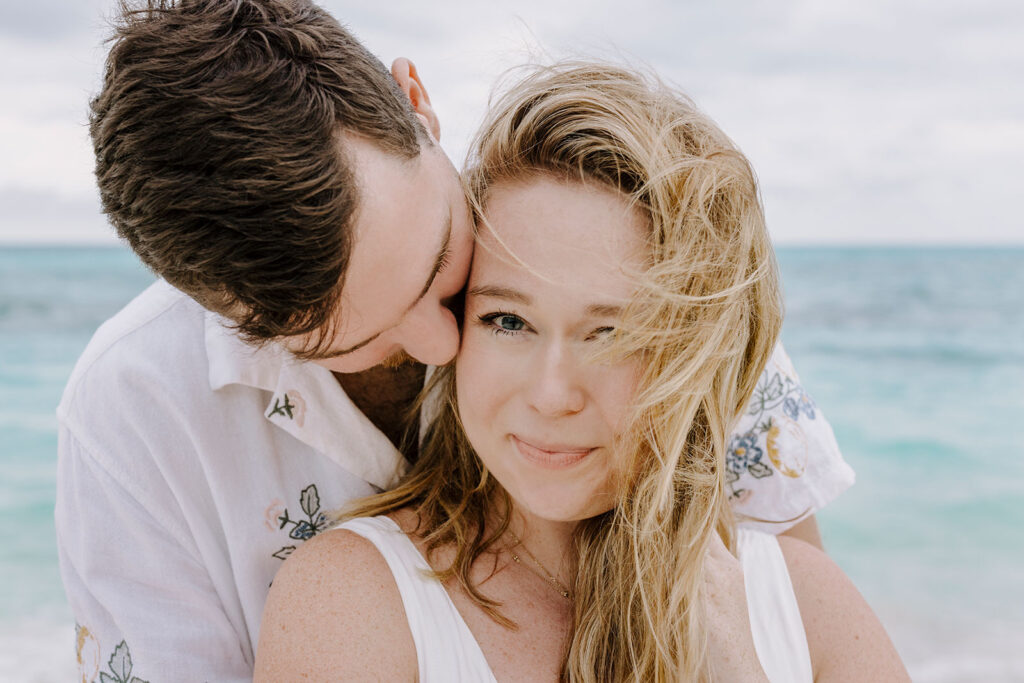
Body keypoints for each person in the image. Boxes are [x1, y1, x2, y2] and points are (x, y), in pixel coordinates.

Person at [57, 1, 851, 681]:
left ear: (416, 104)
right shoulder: (134, 410)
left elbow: (786, 604)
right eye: (353, 337)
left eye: (439, 264)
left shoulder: (625, 267)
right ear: (233, 318)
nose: (440, 344)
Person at [256, 61, 906, 681]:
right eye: (509, 321)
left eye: (614, 333)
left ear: (695, 354)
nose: (550, 393)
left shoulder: (802, 601)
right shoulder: (354, 600)